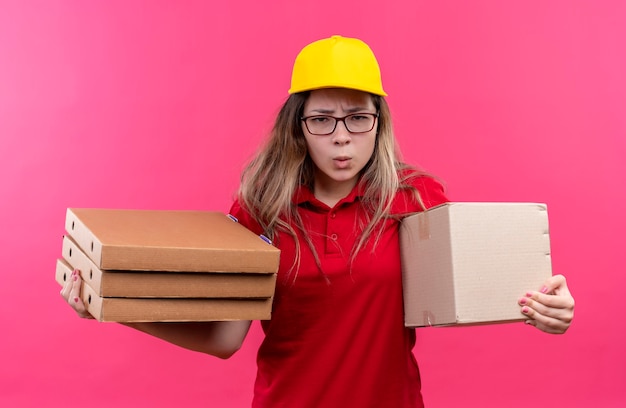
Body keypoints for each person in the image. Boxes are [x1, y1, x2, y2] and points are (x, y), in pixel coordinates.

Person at [61, 35, 575, 407]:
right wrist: (113, 304)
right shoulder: (260, 208)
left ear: (379, 121)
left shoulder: (416, 198)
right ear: (298, 126)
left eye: (357, 118)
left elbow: (476, 290)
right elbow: (225, 339)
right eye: (322, 120)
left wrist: (545, 307)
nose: (342, 137)